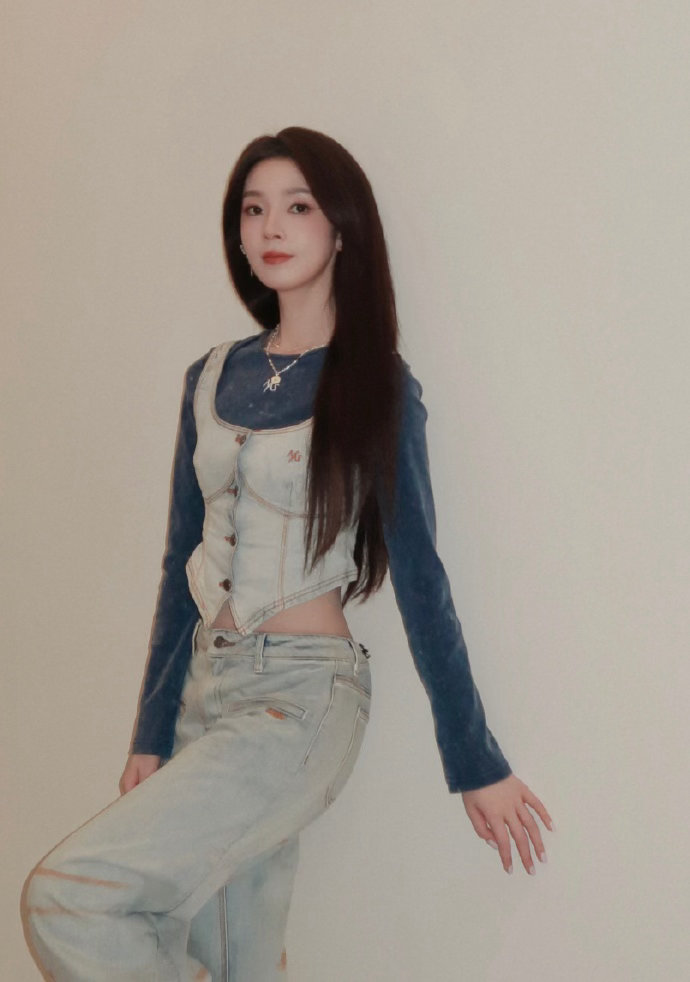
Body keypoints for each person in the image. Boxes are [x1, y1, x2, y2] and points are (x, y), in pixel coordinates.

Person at [21, 126, 552, 981]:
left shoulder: (375, 382)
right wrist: (152, 732)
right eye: (253, 209)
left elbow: (422, 578)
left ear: (341, 229)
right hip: (207, 692)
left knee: (68, 897)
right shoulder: (209, 377)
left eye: (298, 207)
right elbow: (180, 565)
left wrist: (474, 762)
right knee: (232, 960)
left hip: (302, 700)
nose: (271, 227)